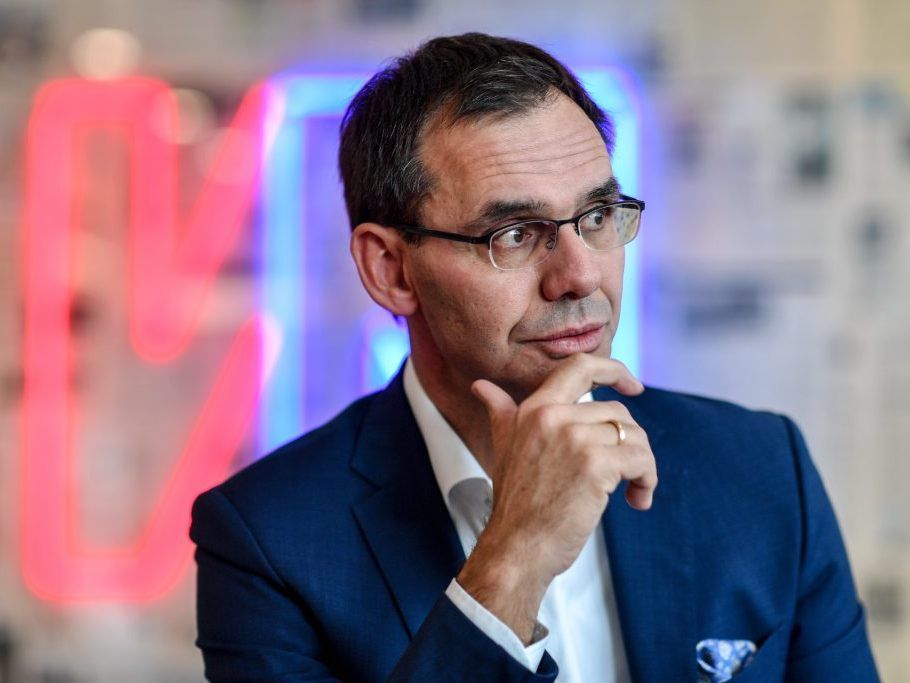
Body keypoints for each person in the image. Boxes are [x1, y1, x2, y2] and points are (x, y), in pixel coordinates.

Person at [190, 33, 879, 682]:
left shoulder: (762, 469)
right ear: (391, 269)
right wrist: (513, 561)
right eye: (515, 233)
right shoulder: (268, 540)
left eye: (598, 216)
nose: (580, 275)